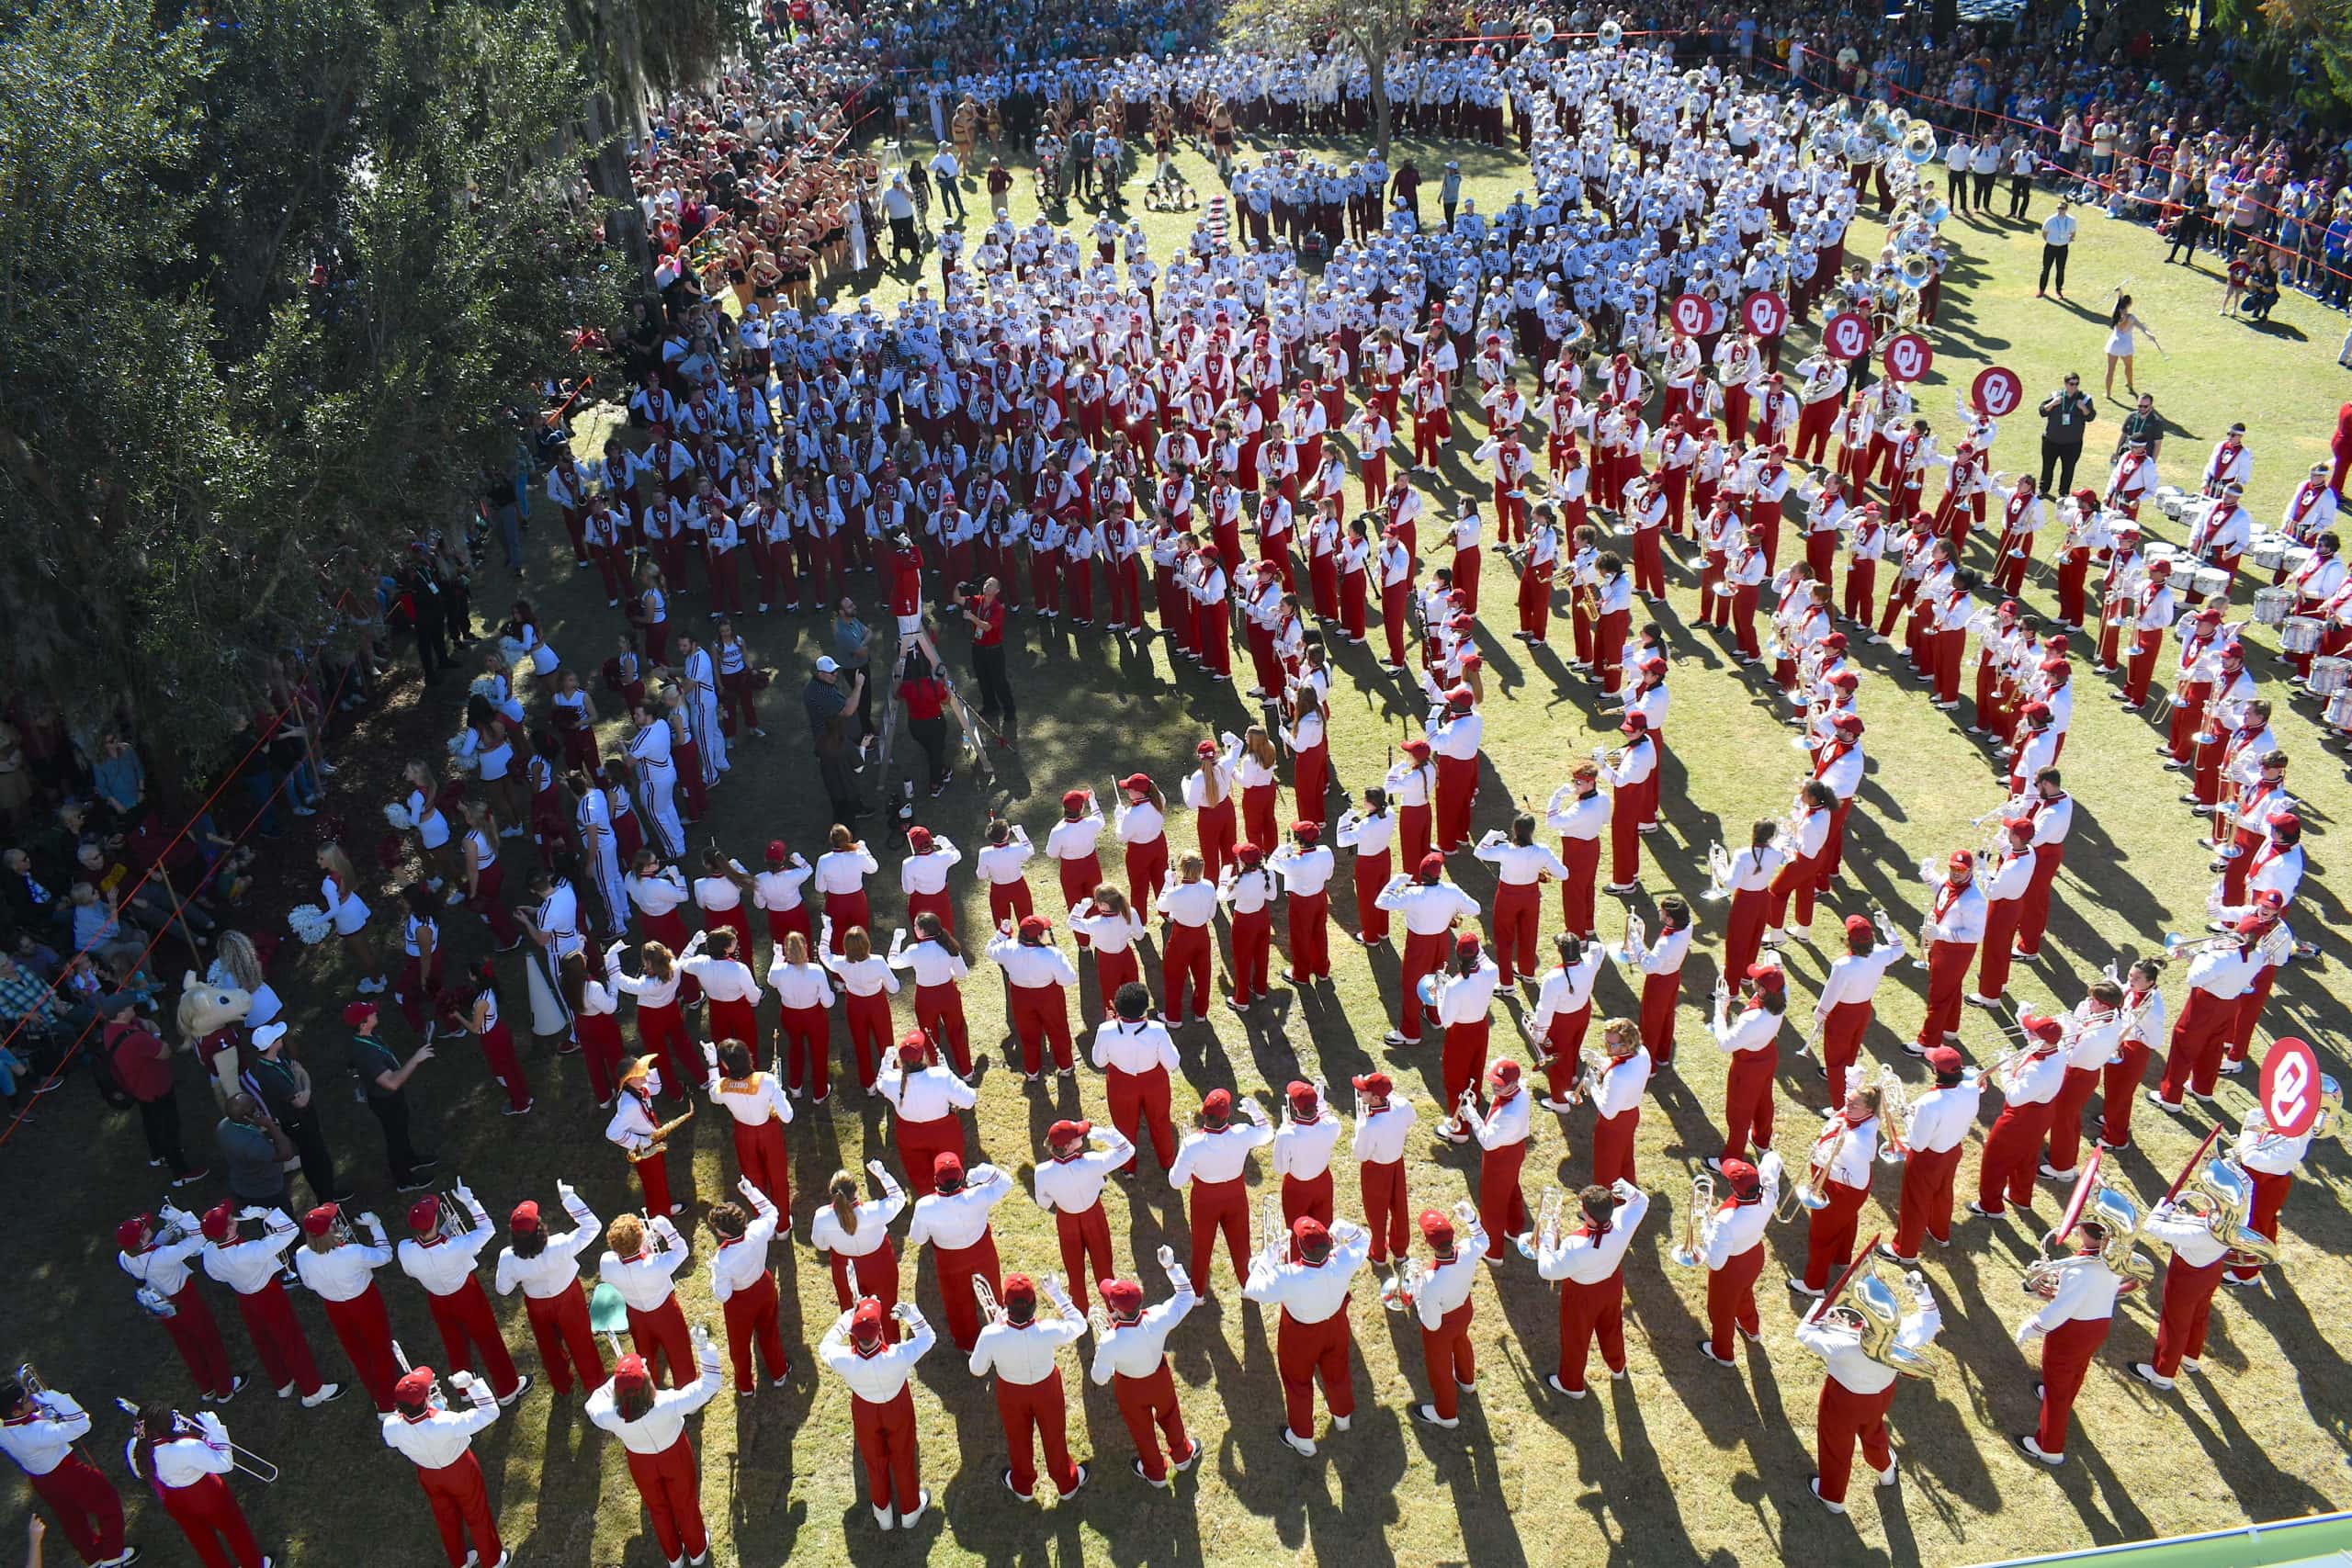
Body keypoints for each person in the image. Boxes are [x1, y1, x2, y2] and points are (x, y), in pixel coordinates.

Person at [1794, 1267, 1943, 1513]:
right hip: (1881, 1396)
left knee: (1835, 1446)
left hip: (1842, 1399)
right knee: (1873, 1431)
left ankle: (1832, 1497)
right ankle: (1886, 1470)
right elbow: (1931, 1318)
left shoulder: (1844, 1345)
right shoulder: (1903, 1334)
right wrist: (1921, 1291)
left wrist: (1824, 1302)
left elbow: (1804, 1332)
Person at [585, 1333, 725, 1567]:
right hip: (675, 1455)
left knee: (658, 1509)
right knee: (685, 1503)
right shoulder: (667, 1403)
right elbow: (709, 1386)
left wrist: (615, 1382)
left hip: (641, 1463)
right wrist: (703, 1347)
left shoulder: (609, 1415)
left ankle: (674, 1557)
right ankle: (697, 1550)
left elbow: (591, 1405)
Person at [1244, 1215, 1371, 1456]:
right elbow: (1363, 1240)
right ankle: (1342, 1415)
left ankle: (1302, 1438)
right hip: (1335, 1325)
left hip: (1300, 1336)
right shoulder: (1342, 1260)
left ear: (1300, 1248)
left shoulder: (1288, 1275)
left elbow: (1252, 1289)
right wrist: (1344, 1227)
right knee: (1337, 1370)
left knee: (1297, 1383)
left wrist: (1266, 1259)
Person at [197, 1201, 342, 1409]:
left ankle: (282, 1382)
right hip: (268, 1294)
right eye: (230, 1218)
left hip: (244, 1296)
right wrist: (268, 1214)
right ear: (229, 1228)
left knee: (263, 1340)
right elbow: (290, 1231)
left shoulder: (210, 1251)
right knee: (290, 1340)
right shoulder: (250, 1250)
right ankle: (312, 1390)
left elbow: (216, 1275)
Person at [395, 1188, 529, 1407]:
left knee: (453, 1342)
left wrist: (447, 1231)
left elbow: (413, 1269)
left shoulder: (404, 1249)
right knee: (488, 1340)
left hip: (437, 1298)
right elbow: (488, 1229)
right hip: (467, 1294)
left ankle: (464, 1389)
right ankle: (507, 1389)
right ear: (434, 1221)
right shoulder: (455, 1247)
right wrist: (470, 1201)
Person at [967, 1272, 1091, 1502]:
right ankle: (1066, 1483)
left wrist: (994, 1329)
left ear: (1006, 1306)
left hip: (1011, 1393)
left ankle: (1022, 1486)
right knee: (1055, 1436)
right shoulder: (1047, 1329)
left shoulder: (990, 1335)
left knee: (1017, 1438)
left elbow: (977, 1369)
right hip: (1047, 1389)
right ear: (1034, 1305)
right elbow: (1079, 1324)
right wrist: (1057, 1293)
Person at [2013, 1220, 2124, 1465]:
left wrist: (2030, 1328)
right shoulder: (2113, 1258)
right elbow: (2084, 1294)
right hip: (2097, 1324)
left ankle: (2048, 1447)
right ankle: (2062, 1398)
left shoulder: (2080, 1270)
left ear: (2086, 1231)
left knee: (2058, 1382)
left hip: (2072, 1331)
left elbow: (2058, 1313)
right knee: (2076, 1370)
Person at [1525, 1180, 1649, 1398]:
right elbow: (1641, 1200)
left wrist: (1547, 1239)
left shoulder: (1576, 1244)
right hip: (1611, 1283)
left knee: (1576, 1338)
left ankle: (1571, 1385)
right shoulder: (1622, 1220)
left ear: (1589, 1215)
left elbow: (1547, 1270)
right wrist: (1626, 1189)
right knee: (1611, 1326)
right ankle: (1617, 1366)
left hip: (1582, 1294)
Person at [1087, 1247, 1200, 1485]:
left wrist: (1106, 1344)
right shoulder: (1157, 1316)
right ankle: (1183, 1456)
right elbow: (1186, 1296)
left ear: (1116, 1309)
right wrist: (1171, 1267)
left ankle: (1155, 1472)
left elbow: (1099, 1378)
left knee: (1141, 1429)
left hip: (1130, 1387)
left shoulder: (1110, 1341)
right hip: (1159, 1378)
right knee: (1170, 1415)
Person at [819, 1299, 933, 1532]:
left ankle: (883, 1514)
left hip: (865, 1410)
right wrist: (911, 1315)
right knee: (903, 1455)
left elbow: (825, 1347)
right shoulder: (897, 1354)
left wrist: (844, 1321)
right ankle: (910, 1511)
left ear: (854, 1334)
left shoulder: (844, 1360)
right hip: (897, 1407)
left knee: (873, 1460)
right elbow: (928, 1338)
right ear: (880, 1330)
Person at [379, 1365, 507, 1568]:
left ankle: (460, 1561)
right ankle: (492, 1561)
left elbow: (401, 1427)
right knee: (477, 1513)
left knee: (445, 1518)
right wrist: (472, 1385)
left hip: (428, 1475)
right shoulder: (446, 1422)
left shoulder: (391, 1427)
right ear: (425, 1401)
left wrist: (431, 1409)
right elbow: (490, 1412)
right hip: (460, 1469)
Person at [116, 1206, 243, 1405]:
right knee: (210, 1341)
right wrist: (182, 1218)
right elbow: (198, 1239)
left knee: (187, 1346)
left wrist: (160, 1238)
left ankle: (207, 1387)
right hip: (185, 1299)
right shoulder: (163, 1256)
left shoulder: (124, 1257)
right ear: (141, 1240)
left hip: (163, 1304)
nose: (148, 1226)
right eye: (144, 1229)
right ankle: (225, 1388)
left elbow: (146, 1254)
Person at [0, 1374, 128, 1568]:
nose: (33, 1399)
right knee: (107, 1503)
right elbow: (82, 1424)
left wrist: (45, 1417)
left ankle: (93, 1558)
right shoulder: (35, 1432)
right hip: (69, 1474)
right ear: (16, 1412)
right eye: (27, 1399)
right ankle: (112, 1558)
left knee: (72, 1520)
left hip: (42, 1480)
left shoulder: (5, 1429)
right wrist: (59, 1400)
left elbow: (36, 1427)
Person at [492, 1183, 606, 1399]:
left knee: (548, 1348)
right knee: (581, 1341)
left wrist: (521, 1274)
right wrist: (569, 1199)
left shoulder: (508, 1257)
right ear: (540, 1228)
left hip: (537, 1305)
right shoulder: (559, 1244)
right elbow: (592, 1227)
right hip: (568, 1297)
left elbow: (503, 1289)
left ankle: (562, 1384)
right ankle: (595, 1384)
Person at [123, 1401, 268, 1568]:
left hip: (174, 1500)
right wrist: (216, 1430)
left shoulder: (134, 1446)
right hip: (206, 1493)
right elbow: (224, 1464)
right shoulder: (186, 1446)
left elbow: (140, 1472)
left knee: (203, 1543)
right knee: (235, 1529)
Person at [291, 1204, 400, 1414]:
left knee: (357, 1351)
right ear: (329, 1230)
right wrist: (375, 1226)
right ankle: (388, 1404)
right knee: (379, 1350)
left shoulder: (302, 1254)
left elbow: (309, 1283)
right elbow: (385, 1255)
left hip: (334, 1306)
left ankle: (377, 1396)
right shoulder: (353, 1252)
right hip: (365, 1302)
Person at [1168, 1088, 1272, 1294]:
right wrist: (1256, 1113)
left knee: (1201, 1246)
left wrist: (1188, 1165)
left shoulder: (1192, 1144)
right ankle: (1248, 1287)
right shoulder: (1242, 1133)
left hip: (1204, 1200)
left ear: (1204, 1114)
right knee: (1241, 1244)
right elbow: (1267, 1133)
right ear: (1228, 1115)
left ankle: (1197, 1292)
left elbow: (1175, 1182)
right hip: (1235, 1196)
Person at [907, 1154, 1013, 1353]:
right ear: (961, 1175)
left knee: (957, 1302)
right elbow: (1006, 1181)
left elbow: (918, 1239)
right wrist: (985, 1170)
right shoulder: (979, 1195)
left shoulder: (925, 1206)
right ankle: (1002, 1329)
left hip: (950, 1260)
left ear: (935, 1179)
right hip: (982, 1251)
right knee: (992, 1292)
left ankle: (968, 1343)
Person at [1408, 1204, 1487, 1428]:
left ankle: (1446, 1414)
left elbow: (1431, 1323)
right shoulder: (1466, 1249)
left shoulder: (1431, 1280)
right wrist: (1472, 1220)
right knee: (1461, 1341)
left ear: (1427, 1243)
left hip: (1442, 1325)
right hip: (1464, 1310)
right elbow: (1483, 1241)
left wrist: (1416, 1291)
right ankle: (1467, 1380)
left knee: (1440, 1367)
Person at [342, 1002, 435, 1191]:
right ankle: (404, 1180)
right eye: (370, 1013)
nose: (375, 1012)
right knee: (395, 1139)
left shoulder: (368, 1037)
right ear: (363, 1024)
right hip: (386, 1100)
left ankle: (410, 1159)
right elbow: (391, 1082)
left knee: (401, 1132)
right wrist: (415, 1059)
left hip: (391, 1097)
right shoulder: (366, 1052)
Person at [598, 1211, 695, 1389]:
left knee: (645, 1355)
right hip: (664, 1310)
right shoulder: (656, 1264)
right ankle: (687, 1388)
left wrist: (642, 1247)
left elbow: (626, 1260)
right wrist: (668, 1230)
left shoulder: (606, 1262)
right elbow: (681, 1251)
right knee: (679, 1351)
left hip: (635, 1313)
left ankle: (650, 1390)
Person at [2036, 374, 2096, 495]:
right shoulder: (2056, 396)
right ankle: (2043, 489)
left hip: (2072, 443)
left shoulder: (2084, 399)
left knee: (2068, 469)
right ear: (2065, 384)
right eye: (2071, 384)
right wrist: (2053, 403)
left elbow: (2091, 417)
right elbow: (2042, 411)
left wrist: (2083, 408)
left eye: (2076, 384)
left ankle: (2063, 492)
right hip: (2051, 440)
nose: (2074, 387)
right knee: (2047, 466)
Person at [2103, 295, 2159, 399]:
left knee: (2110, 369)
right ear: (2129, 305)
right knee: (2128, 366)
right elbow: (2142, 328)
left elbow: (2118, 300)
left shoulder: (2115, 313)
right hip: (2125, 346)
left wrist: (2119, 292)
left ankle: (2108, 393)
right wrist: (2150, 335)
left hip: (2114, 344)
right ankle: (2130, 385)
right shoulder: (2131, 318)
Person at [2037, 199, 2075, 298]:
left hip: (2063, 248)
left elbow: (2073, 232)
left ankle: (2058, 290)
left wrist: (2067, 240)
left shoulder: (2071, 220)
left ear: (2066, 209)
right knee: (2046, 269)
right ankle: (2041, 290)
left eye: (2062, 208)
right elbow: (2044, 232)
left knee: (2060, 269)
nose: (2060, 210)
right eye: (2058, 208)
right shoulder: (2051, 220)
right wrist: (2051, 241)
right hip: (2050, 247)